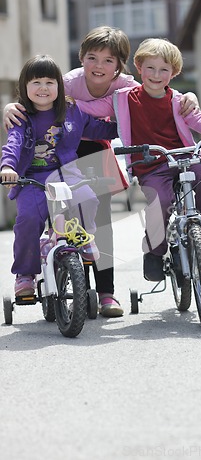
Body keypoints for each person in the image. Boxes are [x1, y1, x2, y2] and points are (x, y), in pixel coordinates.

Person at [2, 26, 199, 317]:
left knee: (100, 218)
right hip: (57, 152)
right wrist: (10, 106)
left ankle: (106, 293)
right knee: (42, 213)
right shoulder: (65, 84)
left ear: (120, 66)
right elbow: (33, 101)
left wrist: (188, 96)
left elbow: (158, 90)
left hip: (95, 147)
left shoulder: (126, 85)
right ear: (82, 58)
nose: (99, 66)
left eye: (109, 61)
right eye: (93, 58)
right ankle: (44, 272)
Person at [76, 37, 201, 281]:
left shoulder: (178, 100)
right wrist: (55, 102)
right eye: (150, 68)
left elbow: (198, 118)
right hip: (150, 164)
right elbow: (92, 109)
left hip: (184, 157)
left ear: (174, 73)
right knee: (159, 202)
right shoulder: (123, 98)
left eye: (164, 69)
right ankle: (155, 251)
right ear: (139, 68)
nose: (156, 74)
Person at [0, 54, 118, 299]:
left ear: (59, 86)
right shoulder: (21, 116)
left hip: (67, 174)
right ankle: (25, 275)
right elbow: (13, 143)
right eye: (36, 82)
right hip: (33, 179)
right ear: (24, 87)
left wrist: (130, 127)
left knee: (87, 198)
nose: (43, 88)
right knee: (28, 219)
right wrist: (8, 167)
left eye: (49, 82)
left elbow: (99, 129)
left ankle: (83, 239)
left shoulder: (72, 110)